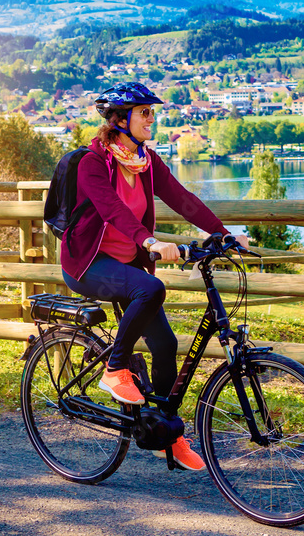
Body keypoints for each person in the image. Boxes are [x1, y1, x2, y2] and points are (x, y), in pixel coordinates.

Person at [60, 81, 248, 471]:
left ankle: (168, 434)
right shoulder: (93, 164)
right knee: (152, 287)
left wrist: (221, 233)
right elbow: (113, 211)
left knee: (165, 345)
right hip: (88, 263)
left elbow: (181, 198)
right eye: (144, 112)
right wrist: (148, 240)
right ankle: (114, 369)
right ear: (119, 119)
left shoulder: (145, 161)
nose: (152, 118)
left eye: (152, 112)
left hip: (125, 263)